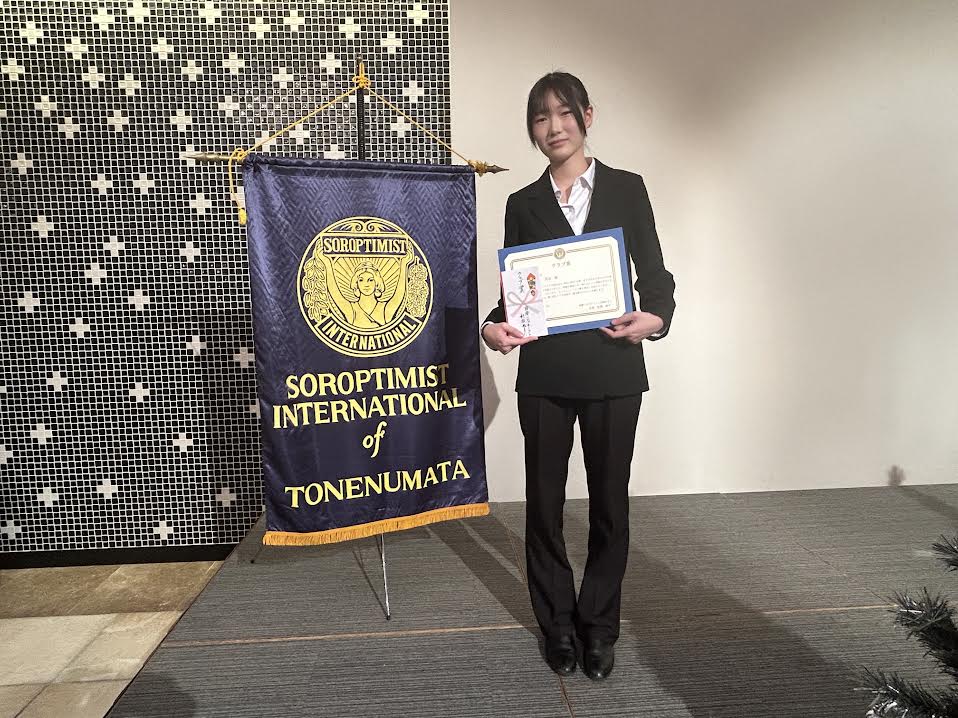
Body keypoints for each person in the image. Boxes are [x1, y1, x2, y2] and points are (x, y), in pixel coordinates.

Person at [481, 72, 676, 681]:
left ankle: (599, 626)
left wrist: (656, 319)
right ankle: (558, 626)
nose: (554, 127)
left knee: (610, 505)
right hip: (544, 373)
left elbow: (656, 275)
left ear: (587, 116)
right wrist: (492, 326)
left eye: (564, 113)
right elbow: (517, 292)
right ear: (532, 129)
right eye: (540, 117)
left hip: (614, 369)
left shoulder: (627, 188)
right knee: (543, 506)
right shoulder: (522, 203)